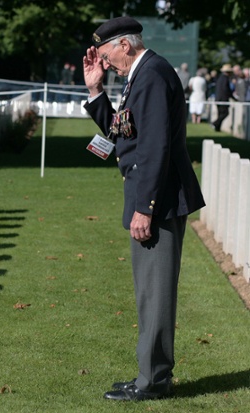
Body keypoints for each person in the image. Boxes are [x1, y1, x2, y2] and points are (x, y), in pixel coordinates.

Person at [82, 16, 205, 401]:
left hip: (160, 202)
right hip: (153, 197)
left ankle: (152, 381)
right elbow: (123, 135)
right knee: (148, 294)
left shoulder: (151, 74)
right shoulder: (141, 74)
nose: (104, 64)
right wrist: (96, 91)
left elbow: (155, 148)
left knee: (155, 294)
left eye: (105, 57)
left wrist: (145, 208)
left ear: (124, 44)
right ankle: (151, 373)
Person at [212, 64, 235, 132]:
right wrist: (232, 97)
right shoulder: (225, 79)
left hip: (218, 98)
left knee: (220, 113)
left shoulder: (220, 78)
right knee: (225, 113)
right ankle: (215, 123)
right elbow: (226, 89)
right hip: (223, 99)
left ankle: (217, 128)